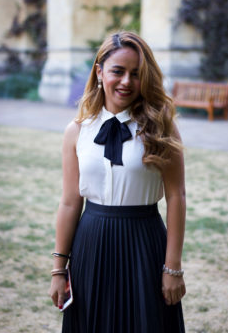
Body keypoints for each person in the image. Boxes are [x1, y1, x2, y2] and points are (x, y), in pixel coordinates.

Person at [49, 31, 186, 333]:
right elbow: (71, 202)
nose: (126, 81)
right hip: (91, 244)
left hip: (144, 242)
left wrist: (172, 267)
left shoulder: (162, 127)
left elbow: (176, 197)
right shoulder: (76, 131)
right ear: (99, 72)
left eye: (136, 74)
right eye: (118, 71)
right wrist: (58, 270)